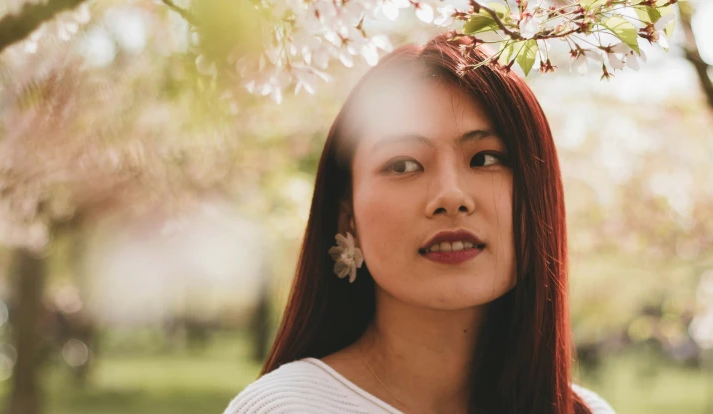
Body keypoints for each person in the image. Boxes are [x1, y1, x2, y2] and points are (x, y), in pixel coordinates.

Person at [224, 32, 615, 414]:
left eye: (485, 159)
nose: (451, 197)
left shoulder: (584, 410)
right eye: (403, 165)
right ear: (348, 215)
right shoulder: (288, 407)